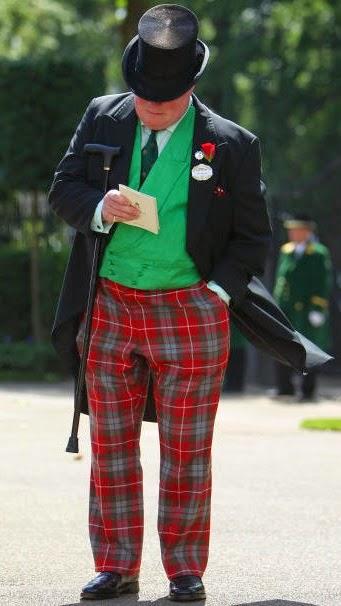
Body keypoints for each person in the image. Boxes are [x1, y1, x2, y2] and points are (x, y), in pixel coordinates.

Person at [48, 4, 271, 601]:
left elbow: (253, 239)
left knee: (187, 451)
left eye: (164, 102)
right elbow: (63, 188)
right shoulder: (103, 117)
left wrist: (217, 294)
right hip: (112, 306)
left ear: (192, 88)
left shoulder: (233, 144)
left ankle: (185, 571)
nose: (150, 109)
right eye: (143, 97)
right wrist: (97, 207)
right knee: (112, 445)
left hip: (192, 310)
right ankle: (116, 565)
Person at [273, 213, 332, 401]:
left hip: (306, 311)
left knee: (309, 349)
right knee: (283, 346)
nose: (292, 233)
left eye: (296, 230)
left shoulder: (318, 253)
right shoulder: (287, 251)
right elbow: (281, 281)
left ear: (307, 232)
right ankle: (284, 387)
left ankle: (308, 390)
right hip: (287, 309)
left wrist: (318, 308)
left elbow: (322, 282)